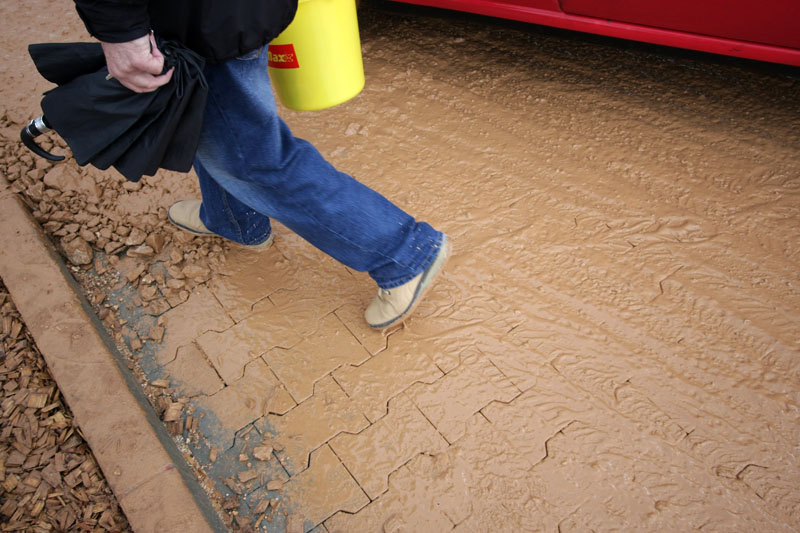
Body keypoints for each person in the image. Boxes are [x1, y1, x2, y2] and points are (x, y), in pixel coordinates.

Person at [72, 0, 449, 329]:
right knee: (207, 119)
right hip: (228, 12)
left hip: (197, 17)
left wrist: (121, 28)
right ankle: (234, 220)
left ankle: (403, 254)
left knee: (253, 158)